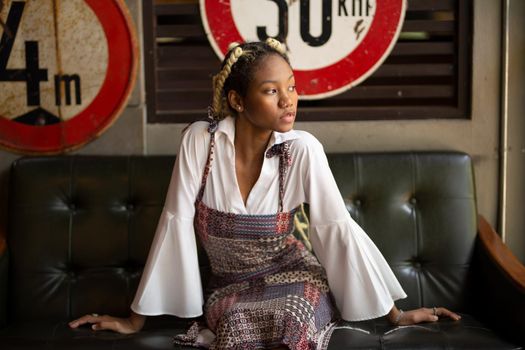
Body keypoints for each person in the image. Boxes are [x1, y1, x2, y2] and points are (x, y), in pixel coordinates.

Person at [69, 38, 460, 349]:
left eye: (291, 87)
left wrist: (394, 314)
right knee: (237, 329)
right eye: (272, 90)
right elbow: (175, 222)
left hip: (296, 276)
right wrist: (135, 319)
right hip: (229, 287)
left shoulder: (302, 149)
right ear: (238, 101)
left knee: (292, 318)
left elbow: (335, 228)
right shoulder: (199, 142)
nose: (289, 99)